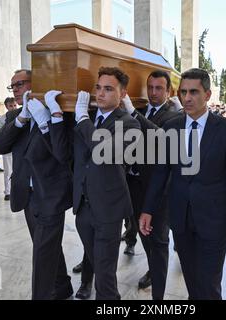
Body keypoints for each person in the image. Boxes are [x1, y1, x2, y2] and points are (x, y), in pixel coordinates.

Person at [140, 68, 226, 300]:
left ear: (208, 94)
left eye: (193, 92)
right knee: (192, 283)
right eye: (183, 92)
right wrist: (148, 209)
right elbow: (161, 172)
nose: (187, 98)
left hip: (214, 220)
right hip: (180, 219)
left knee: (208, 286)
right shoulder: (171, 127)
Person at [0, 69, 74, 300]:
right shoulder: (14, 117)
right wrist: (21, 118)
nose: (15, 90)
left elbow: (62, 155)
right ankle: (63, 285)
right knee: (45, 246)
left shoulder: (59, 114)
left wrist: (45, 120)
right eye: (12, 86)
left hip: (50, 194)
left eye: (20, 84)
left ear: (35, 84)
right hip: (26, 193)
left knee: (42, 253)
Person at [72, 67, 140, 300]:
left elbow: (104, 151)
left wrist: (81, 118)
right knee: (96, 263)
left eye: (108, 89)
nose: (100, 94)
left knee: (105, 275)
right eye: (98, 87)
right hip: (83, 207)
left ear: (122, 94)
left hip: (108, 209)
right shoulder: (89, 118)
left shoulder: (129, 124)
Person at [122, 70, 181, 299]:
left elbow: (160, 137)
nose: (154, 93)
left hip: (159, 192)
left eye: (159, 88)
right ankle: (153, 269)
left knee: (158, 241)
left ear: (168, 91)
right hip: (135, 186)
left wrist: (133, 114)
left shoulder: (174, 115)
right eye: (151, 88)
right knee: (145, 237)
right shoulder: (142, 110)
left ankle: (158, 296)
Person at [0, 97, 18, 201]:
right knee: (8, 171)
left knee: (19, 170)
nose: (13, 108)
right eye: (11, 106)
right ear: (6, 107)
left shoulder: (22, 116)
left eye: (14, 105)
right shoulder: (1, 119)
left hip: (19, 148)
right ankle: (8, 192)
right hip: (8, 149)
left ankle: (19, 190)